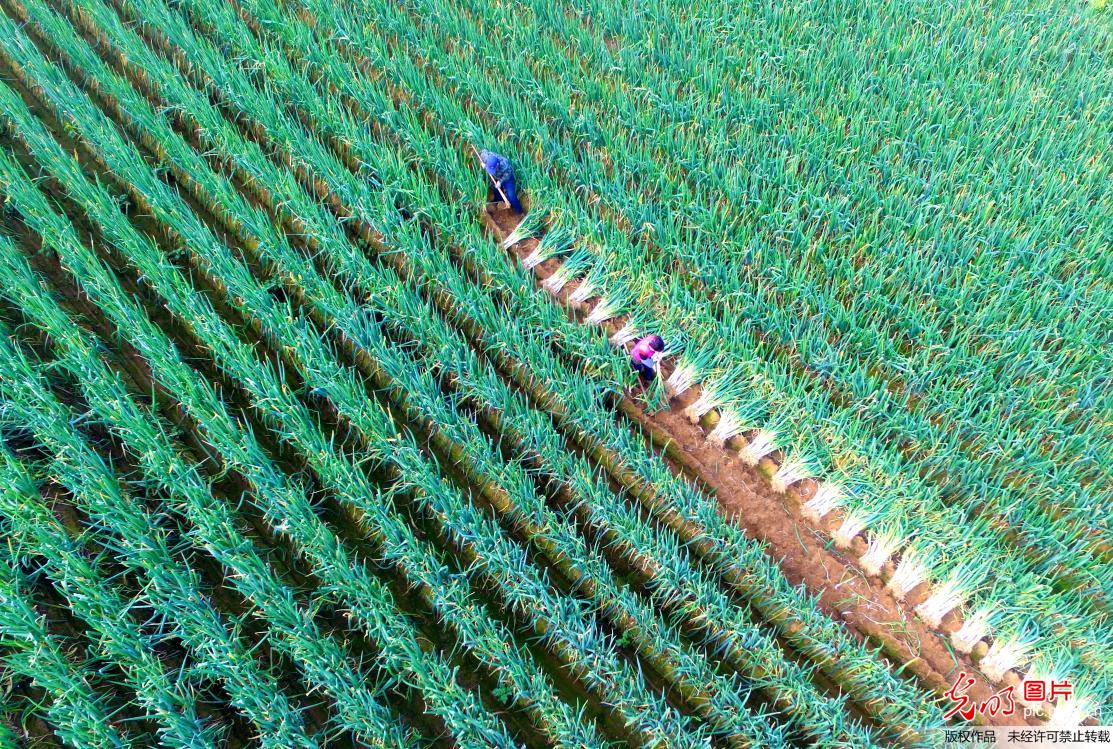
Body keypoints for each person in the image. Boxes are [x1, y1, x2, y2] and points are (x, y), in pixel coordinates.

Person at [477, 148, 523, 213]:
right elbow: (483, 151)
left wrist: (500, 182)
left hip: (507, 178)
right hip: (496, 177)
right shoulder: (486, 157)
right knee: (495, 189)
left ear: (497, 165)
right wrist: (483, 164)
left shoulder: (504, 164)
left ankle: (519, 211)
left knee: (511, 196)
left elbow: (508, 173)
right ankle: (498, 201)